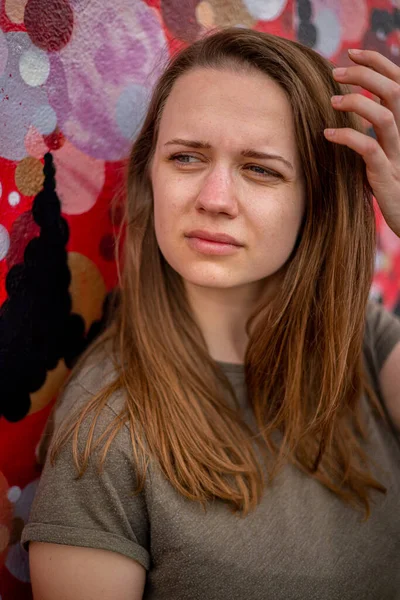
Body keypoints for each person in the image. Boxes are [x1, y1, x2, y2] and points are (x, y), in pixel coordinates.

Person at [21, 27, 400, 600]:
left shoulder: (366, 341)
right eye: (188, 157)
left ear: (318, 200)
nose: (215, 197)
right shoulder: (105, 428)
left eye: (261, 169)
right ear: (151, 176)